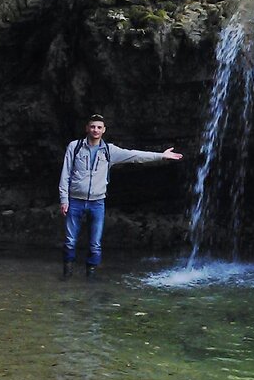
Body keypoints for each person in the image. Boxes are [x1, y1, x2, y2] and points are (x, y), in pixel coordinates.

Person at [58, 114, 183, 278]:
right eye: (93, 126)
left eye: (99, 127)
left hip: (97, 202)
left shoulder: (109, 151)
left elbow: (135, 156)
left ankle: (90, 276)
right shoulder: (75, 147)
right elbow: (65, 174)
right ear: (87, 128)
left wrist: (160, 155)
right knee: (70, 241)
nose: (95, 130)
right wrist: (64, 199)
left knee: (95, 244)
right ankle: (67, 274)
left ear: (104, 130)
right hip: (75, 200)